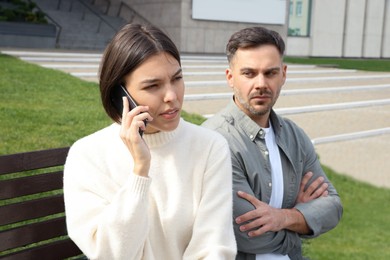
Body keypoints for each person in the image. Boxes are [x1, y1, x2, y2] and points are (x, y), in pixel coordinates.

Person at [63, 23, 237, 259]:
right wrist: (140, 171)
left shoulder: (210, 147)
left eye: (177, 79)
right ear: (120, 94)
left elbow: (214, 246)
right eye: (153, 85)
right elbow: (112, 254)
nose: (172, 96)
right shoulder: (87, 155)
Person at [202, 26, 343, 259]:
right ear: (230, 77)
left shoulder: (294, 136)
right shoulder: (215, 141)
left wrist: (283, 217)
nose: (261, 84)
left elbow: (333, 207)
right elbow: (249, 235)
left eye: (270, 73)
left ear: (284, 74)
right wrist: (302, 219)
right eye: (249, 73)